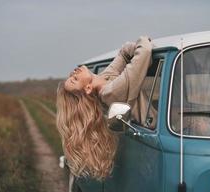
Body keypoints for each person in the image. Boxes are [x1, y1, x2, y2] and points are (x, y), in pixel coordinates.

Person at [56, 36, 154, 182]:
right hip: (159, 124)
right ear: (88, 88)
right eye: (75, 79)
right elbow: (145, 49)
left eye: (71, 76)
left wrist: (134, 50)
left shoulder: (104, 78)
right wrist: (143, 40)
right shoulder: (111, 92)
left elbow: (124, 54)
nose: (74, 72)